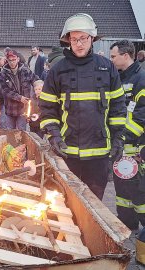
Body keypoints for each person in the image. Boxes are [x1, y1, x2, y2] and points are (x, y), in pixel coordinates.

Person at [39, 13, 127, 200]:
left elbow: (118, 108)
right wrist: (54, 136)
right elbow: (47, 109)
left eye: (83, 38)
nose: (78, 43)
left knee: (95, 206)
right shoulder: (57, 70)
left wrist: (118, 138)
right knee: (65, 203)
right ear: (68, 41)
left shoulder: (107, 68)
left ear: (92, 38)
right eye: (74, 39)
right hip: (67, 153)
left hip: (99, 155)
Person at [109, 40, 145, 230]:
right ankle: (127, 223)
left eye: (113, 56)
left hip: (136, 150)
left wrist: (122, 138)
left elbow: (141, 118)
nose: (111, 60)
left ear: (125, 55)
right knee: (122, 191)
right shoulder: (119, 78)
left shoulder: (142, 79)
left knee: (139, 193)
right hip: (121, 149)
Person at [0, 49, 38, 131]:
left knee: (22, 132)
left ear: (18, 59)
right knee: (10, 132)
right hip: (10, 109)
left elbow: (36, 80)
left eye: (14, 60)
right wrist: (20, 98)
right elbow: (5, 91)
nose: (12, 62)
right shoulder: (3, 74)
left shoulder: (26, 70)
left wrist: (38, 89)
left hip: (22, 110)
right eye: (10, 60)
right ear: (7, 61)